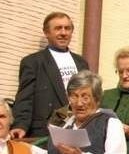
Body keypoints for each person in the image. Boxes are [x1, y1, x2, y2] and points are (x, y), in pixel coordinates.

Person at [10, 12, 89, 140]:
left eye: (67, 28)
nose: (63, 33)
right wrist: (20, 125)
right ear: (46, 32)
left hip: (78, 128)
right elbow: (25, 98)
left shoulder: (81, 62)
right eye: (58, 28)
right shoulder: (33, 62)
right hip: (46, 132)